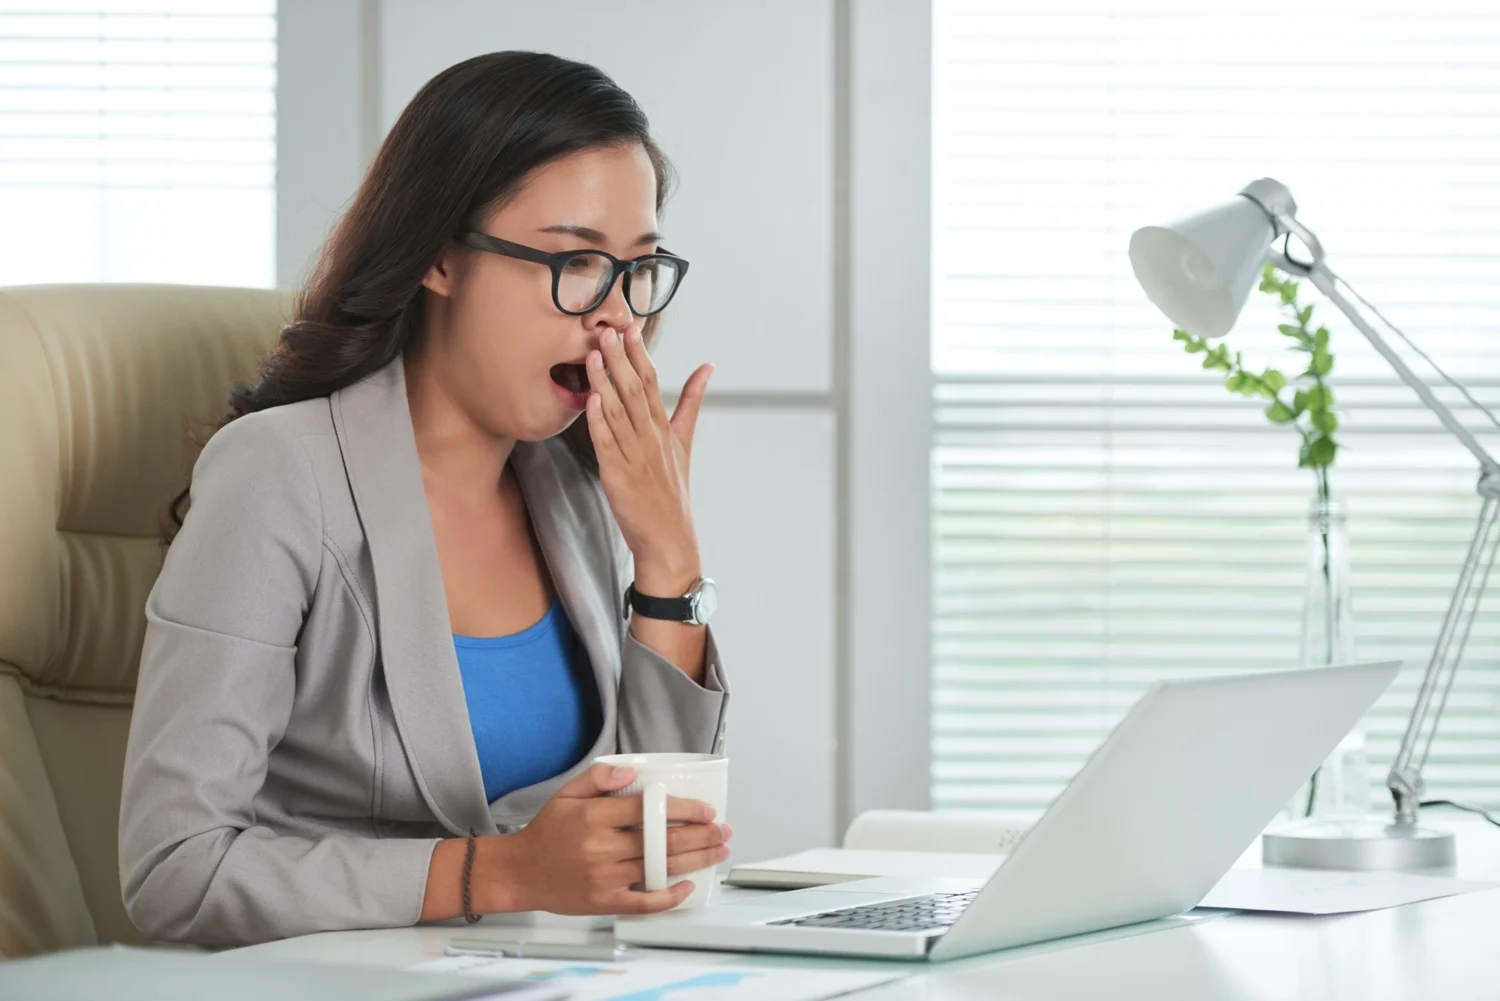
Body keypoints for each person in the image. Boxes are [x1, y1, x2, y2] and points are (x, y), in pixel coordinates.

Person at [118, 51, 731, 948]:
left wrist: (668, 559)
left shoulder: (570, 489)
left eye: (637, 269)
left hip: (536, 972)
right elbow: (175, 869)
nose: (616, 317)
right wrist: (504, 871)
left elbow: (655, 839)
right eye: (574, 262)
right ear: (440, 256)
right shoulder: (276, 475)